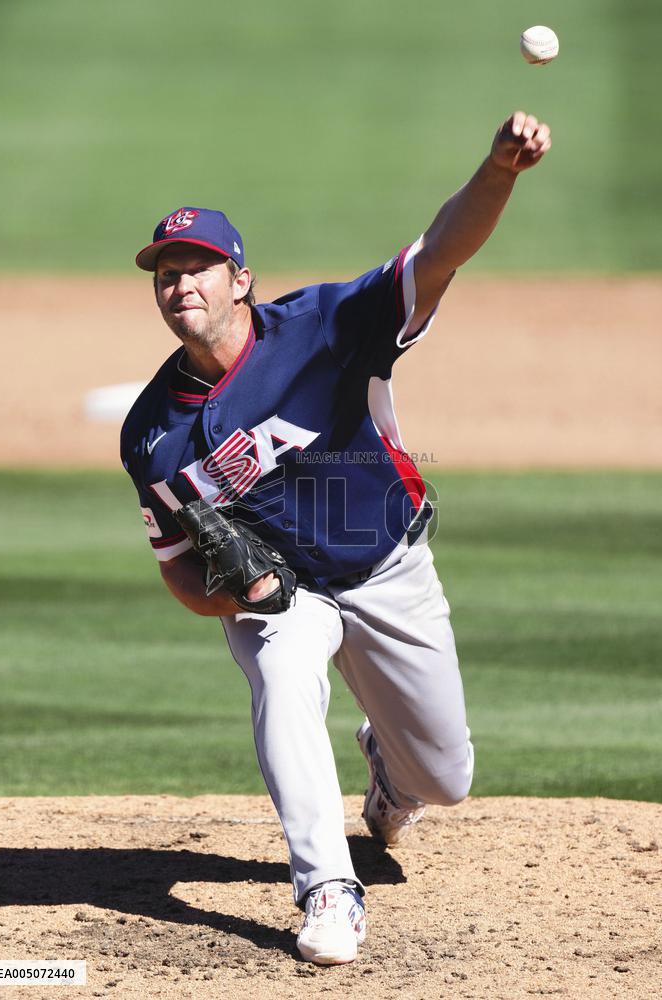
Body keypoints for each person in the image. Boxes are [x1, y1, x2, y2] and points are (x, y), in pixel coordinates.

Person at [121, 111, 551, 966]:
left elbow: (437, 256)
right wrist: (234, 596)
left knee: (446, 780)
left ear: (242, 281)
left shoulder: (324, 326)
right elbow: (177, 571)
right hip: (284, 598)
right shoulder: (151, 437)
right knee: (281, 672)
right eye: (167, 274)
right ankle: (327, 887)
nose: (181, 286)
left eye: (199, 267)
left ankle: (391, 774)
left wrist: (499, 171)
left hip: (387, 567)